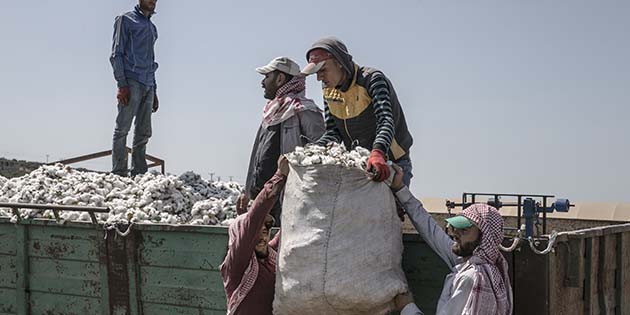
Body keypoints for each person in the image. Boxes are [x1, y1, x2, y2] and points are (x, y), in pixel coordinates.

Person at [390, 164, 513, 315]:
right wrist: (400, 189)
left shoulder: (470, 278)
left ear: (483, 238)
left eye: (465, 229)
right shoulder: (476, 266)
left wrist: (407, 307)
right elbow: (430, 229)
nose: (455, 233)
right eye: (456, 227)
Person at [301, 37, 414, 186]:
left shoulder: (372, 80)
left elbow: (385, 120)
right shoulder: (328, 90)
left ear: (340, 63)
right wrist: (311, 151)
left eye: (323, 70)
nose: (319, 78)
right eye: (316, 73)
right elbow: (333, 132)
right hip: (361, 162)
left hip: (392, 161)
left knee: (397, 206)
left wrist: (378, 152)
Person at [238, 57, 325, 224]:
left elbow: (320, 157)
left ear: (280, 79)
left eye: (267, 77)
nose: (263, 83)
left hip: (288, 202)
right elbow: (258, 156)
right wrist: (247, 191)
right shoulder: (271, 113)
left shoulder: (304, 111)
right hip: (263, 200)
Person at [220, 157, 289, 315]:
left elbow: (288, 227)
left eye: (265, 232)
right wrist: (279, 176)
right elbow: (251, 225)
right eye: (255, 235)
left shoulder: (270, 257)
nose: (262, 237)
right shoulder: (237, 264)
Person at [109, 0, 159, 176]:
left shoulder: (152, 28)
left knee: (143, 132)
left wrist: (155, 90)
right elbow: (116, 54)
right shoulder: (125, 19)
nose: (152, 1)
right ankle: (119, 173)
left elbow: (151, 60)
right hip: (131, 81)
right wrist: (122, 84)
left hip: (148, 84)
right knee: (122, 128)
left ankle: (139, 173)